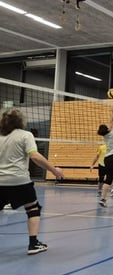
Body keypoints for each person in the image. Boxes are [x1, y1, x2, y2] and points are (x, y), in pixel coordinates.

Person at [0, 108, 64, 254]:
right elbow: (35, 156)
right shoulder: (25, 135)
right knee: (33, 208)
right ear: (20, 121)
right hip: (19, 180)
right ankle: (33, 244)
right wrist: (54, 170)